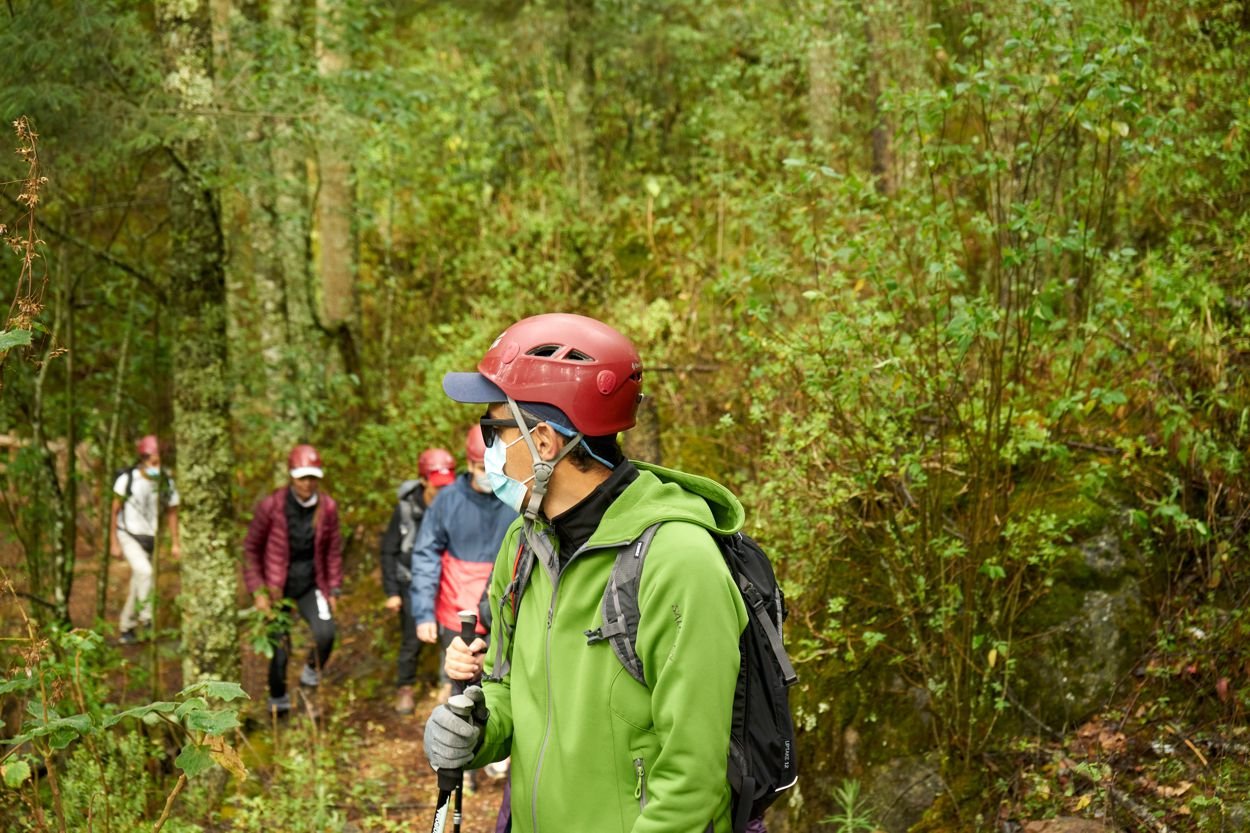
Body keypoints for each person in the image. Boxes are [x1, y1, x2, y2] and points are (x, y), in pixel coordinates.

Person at [424, 313, 750, 833]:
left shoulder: (678, 561)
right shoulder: (522, 546)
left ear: (544, 442)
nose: (487, 451)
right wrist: (478, 729)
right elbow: (509, 690)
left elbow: (692, 778)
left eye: (493, 429)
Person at [410, 425, 516, 702]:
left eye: (493, 466)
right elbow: (426, 554)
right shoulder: (447, 500)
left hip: (502, 610)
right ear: (469, 464)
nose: (488, 474)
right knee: (461, 683)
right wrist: (423, 613)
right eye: (481, 467)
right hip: (457, 611)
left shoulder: (514, 497)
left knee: (499, 684)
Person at [242, 443, 344, 716]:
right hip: (277, 588)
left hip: (312, 584)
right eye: (302, 478)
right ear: (291, 476)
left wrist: (334, 588)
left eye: (312, 478)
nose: (307, 484)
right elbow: (251, 549)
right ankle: (279, 704)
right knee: (280, 648)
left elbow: (333, 551)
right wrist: (259, 591)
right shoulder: (272, 506)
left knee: (326, 633)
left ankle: (308, 681)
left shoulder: (327, 507)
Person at [378, 446, 456, 714]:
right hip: (410, 581)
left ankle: (448, 684)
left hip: (447, 580)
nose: (443, 491)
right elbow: (388, 550)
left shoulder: (455, 506)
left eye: (447, 485)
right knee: (412, 637)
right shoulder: (405, 510)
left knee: (450, 632)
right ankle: (405, 687)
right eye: (437, 486)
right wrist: (392, 592)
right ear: (424, 481)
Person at [110, 434, 181, 644]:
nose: (155, 465)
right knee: (145, 572)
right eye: (152, 460)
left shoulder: (166, 482)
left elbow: (172, 512)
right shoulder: (127, 480)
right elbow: (114, 510)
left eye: (158, 461)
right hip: (128, 534)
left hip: (151, 538)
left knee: (139, 582)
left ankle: (126, 628)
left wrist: (175, 542)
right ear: (143, 458)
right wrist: (114, 542)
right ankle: (148, 619)